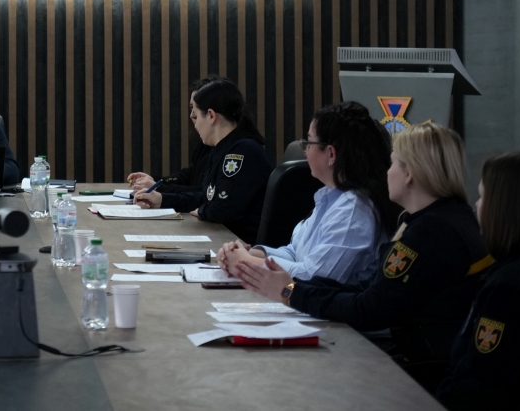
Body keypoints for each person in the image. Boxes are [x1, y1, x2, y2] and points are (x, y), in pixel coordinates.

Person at [232, 121, 492, 382]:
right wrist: (294, 288)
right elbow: (371, 289)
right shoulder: (447, 218)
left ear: (409, 174)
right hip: (426, 355)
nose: (387, 172)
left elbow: (370, 309)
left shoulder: (430, 232)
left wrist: (291, 291)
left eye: (393, 163)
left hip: (421, 369)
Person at [437, 152, 520, 410]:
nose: (476, 205)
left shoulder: (509, 289)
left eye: (482, 196)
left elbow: (479, 386)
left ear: (503, 209)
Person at [216, 102, 397, 284]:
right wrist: (254, 253)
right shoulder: (330, 196)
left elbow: (314, 278)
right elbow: (295, 253)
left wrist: (247, 263)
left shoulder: (353, 210)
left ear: (331, 154)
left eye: (309, 143)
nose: (305, 151)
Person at [133, 79, 272, 243]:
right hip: (223, 238)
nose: (195, 123)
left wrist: (201, 211)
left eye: (197, 115)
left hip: (241, 244)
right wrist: (162, 200)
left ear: (211, 116)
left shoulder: (241, 151)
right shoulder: (221, 148)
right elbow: (207, 196)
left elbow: (222, 208)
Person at [125, 75, 221, 194]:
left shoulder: (235, 150)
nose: (192, 115)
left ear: (211, 115)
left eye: (195, 109)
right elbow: (188, 176)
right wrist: (156, 181)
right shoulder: (205, 146)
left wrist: (159, 188)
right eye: (191, 108)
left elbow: (206, 194)